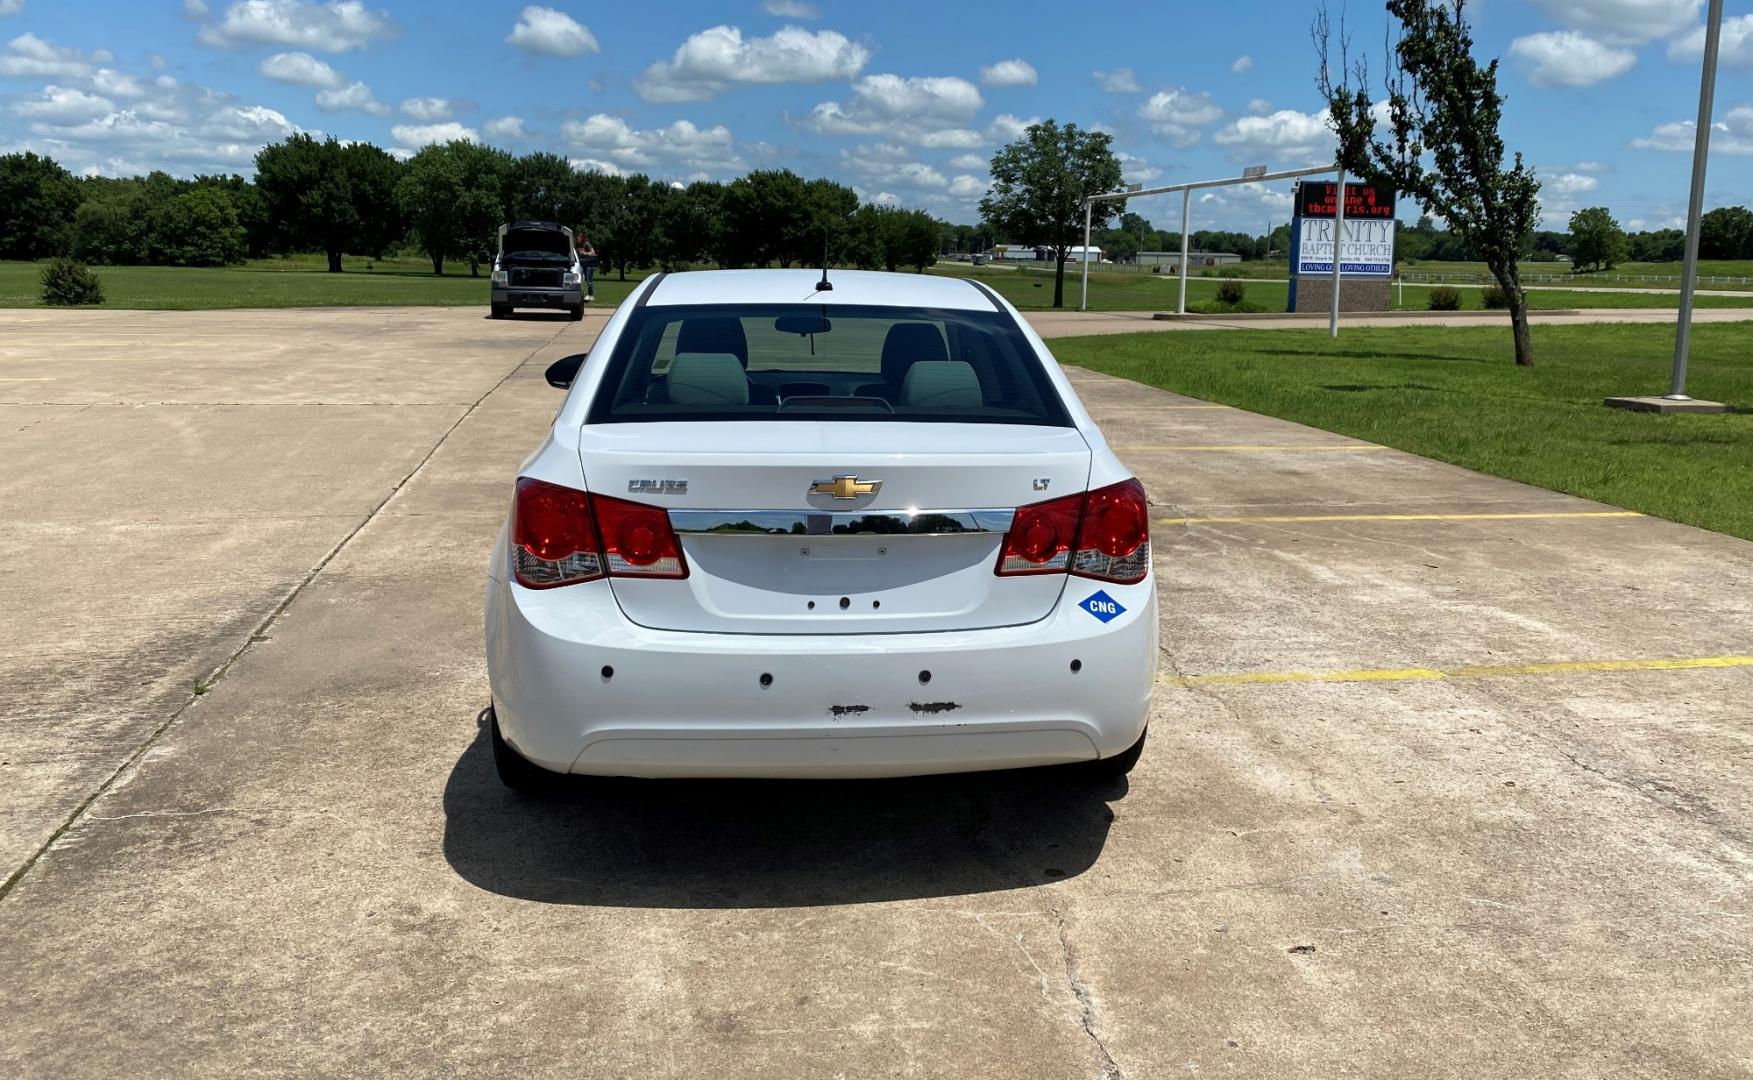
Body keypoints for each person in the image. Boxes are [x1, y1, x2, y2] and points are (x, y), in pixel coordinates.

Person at [575, 229, 596, 303]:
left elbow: (593, 253)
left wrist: (584, 253)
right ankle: (582, 295)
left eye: (579, 237)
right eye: (578, 237)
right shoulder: (578, 244)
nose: (578, 238)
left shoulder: (587, 244)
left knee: (588, 280)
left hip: (588, 265)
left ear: (583, 238)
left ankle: (590, 295)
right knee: (579, 279)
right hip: (582, 264)